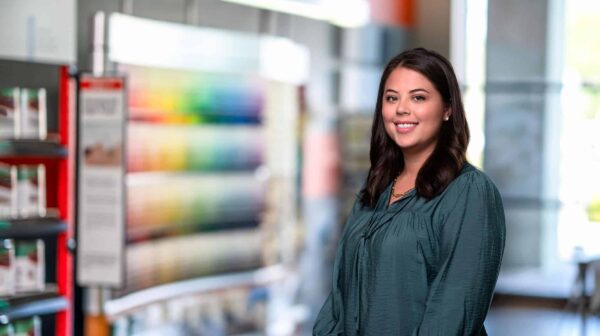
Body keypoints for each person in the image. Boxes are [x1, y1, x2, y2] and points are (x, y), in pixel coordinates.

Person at [313, 47, 506, 335]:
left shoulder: (470, 193)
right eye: (392, 98)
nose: (401, 108)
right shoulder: (375, 189)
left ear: (447, 109)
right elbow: (340, 298)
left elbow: (454, 313)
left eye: (418, 97)